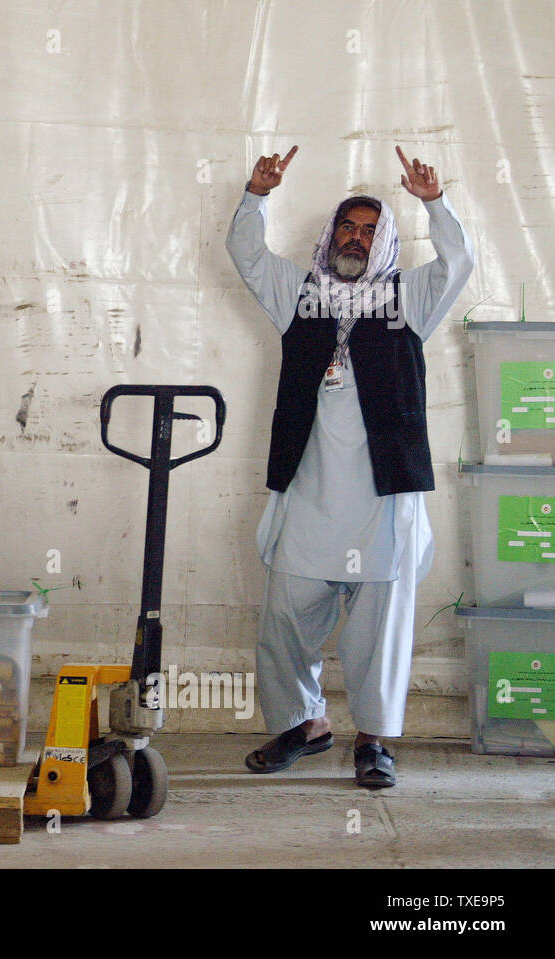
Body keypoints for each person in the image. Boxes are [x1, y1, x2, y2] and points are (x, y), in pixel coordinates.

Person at [226, 145, 474, 788]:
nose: (356, 239)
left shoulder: (410, 296)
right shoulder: (298, 294)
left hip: (382, 496)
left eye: (368, 230)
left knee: (378, 624)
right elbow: (248, 257)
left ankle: (373, 741)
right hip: (310, 490)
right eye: (347, 226)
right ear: (331, 233)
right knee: (285, 611)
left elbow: (460, 261)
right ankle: (304, 726)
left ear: (384, 240)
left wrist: (434, 203)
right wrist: (255, 195)